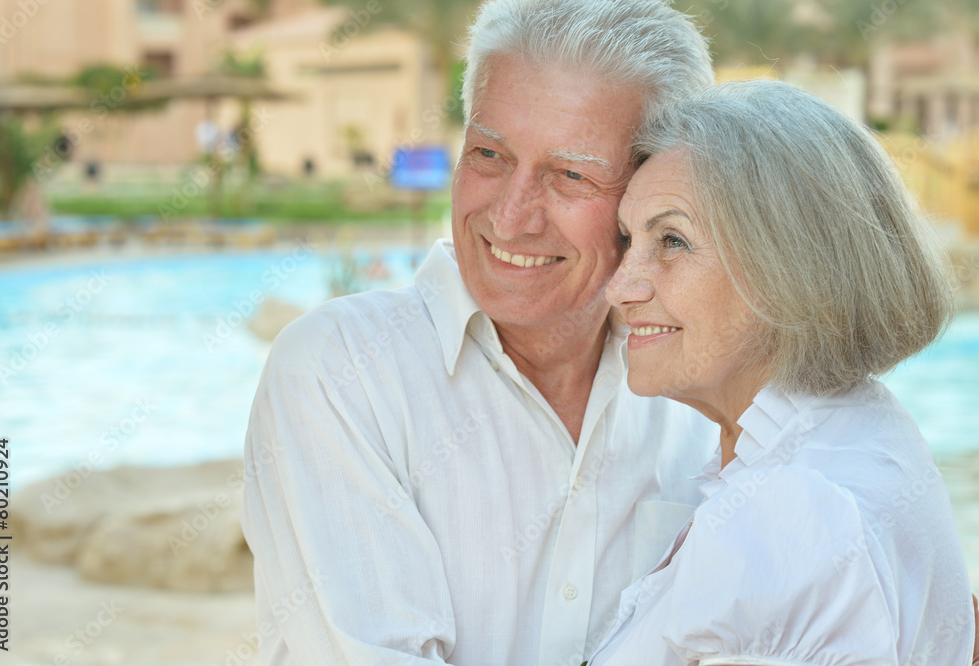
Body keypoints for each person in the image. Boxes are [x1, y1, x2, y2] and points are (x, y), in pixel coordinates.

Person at [241, 1, 718, 664]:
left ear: (657, 190)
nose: (512, 215)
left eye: (570, 174)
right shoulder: (339, 373)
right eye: (489, 155)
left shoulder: (701, 403)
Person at [591, 79, 976, 665]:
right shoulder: (856, 428)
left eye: (672, 240)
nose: (620, 287)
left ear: (789, 264)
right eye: (627, 240)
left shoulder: (789, 511)